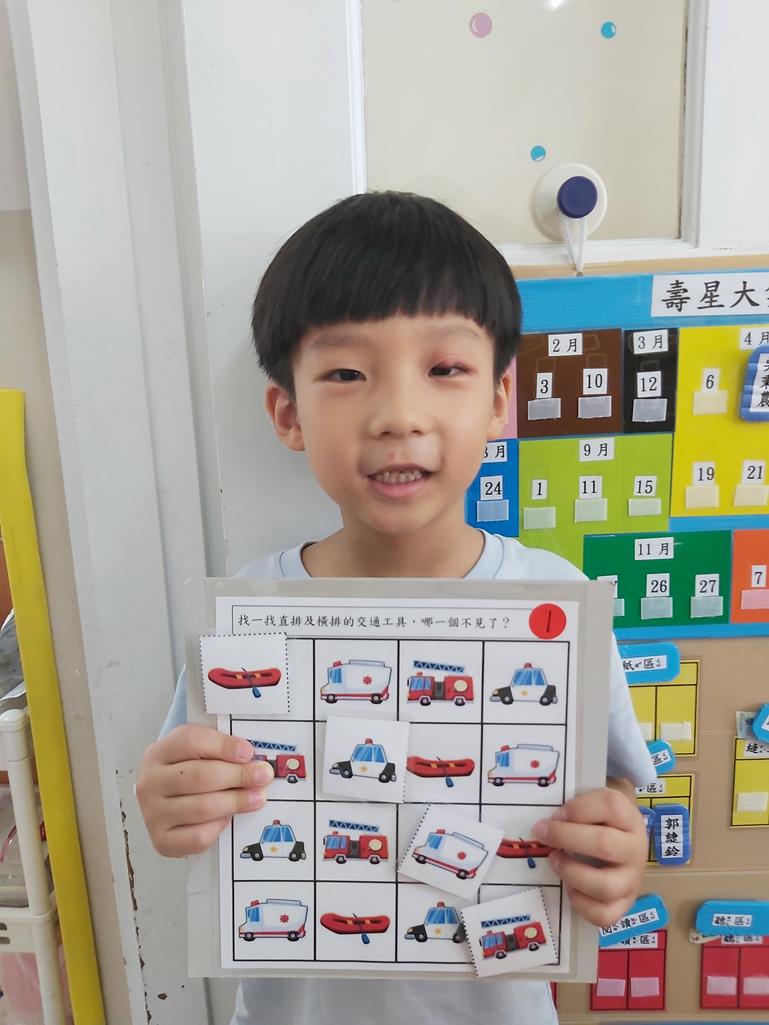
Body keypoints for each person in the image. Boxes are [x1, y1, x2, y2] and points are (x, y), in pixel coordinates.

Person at [137, 191, 653, 1025]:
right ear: (287, 413)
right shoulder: (250, 615)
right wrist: (169, 805)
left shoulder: (553, 600)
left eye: (444, 369)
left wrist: (618, 849)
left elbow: (615, 793)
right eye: (345, 373)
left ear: (498, 399)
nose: (398, 416)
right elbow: (188, 797)